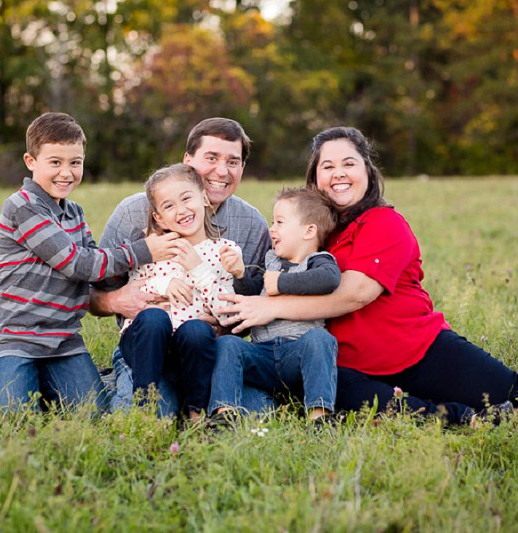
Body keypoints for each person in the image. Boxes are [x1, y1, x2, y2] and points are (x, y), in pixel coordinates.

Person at [219, 127, 518, 426]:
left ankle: (446, 409)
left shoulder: (385, 223)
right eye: (327, 166)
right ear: (315, 177)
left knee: (516, 396)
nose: (338, 173)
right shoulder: (313, 236)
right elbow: (266, 275)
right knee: (343, 394)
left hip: (413, 351)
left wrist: (272, 307)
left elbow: (355, 294)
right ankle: (456, 418)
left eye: (349, 163)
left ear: (367, 171)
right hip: (346, 368)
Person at [0, 112, 179, 412]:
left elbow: (96, 274)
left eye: (75, 162)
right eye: (55, 162)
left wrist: (149, 266)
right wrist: (142, 250)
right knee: (12, 419)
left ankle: (60, 383)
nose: (66, 172)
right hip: (14, 338)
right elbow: (77, 264)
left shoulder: (74, 213)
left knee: (92, 415)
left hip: (63, 340)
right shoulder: (21, 207)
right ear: (30, 161)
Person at [90, 117, 273, 417]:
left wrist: (223, 321)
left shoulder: (250, 226)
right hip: (149, 346)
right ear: (188, 161)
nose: (222, 171)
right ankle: (120, 383)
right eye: (211, 158)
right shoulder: (134, 213)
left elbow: (256, 300)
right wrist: (116, 300)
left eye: (233, 161)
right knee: (146, 415)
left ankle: (194, 405)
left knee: (257, 410)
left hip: (205, 349)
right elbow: (90, 293)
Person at [120, 163, 245, 421]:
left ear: (204, 198)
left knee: (197, 330)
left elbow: (225, 313)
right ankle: (144, 408)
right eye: (168, 206)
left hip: (191, 352)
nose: (181, 210)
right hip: (145, 345)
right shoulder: (151, 249)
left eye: (186, 198)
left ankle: (195, 411)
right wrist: (163, 285)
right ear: (158, 217)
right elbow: (133, 291)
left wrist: (198, 269)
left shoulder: (224, 251)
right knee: (154, 318)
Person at [209, 188, 340, 424]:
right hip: (262, 354)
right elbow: (254, 293)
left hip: (297, 354)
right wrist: (240, 274)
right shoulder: (271, 260)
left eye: (280, 222)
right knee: (228, 344)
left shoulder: (320, 261)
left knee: (321, 339)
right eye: (272, 222)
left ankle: (319, 416)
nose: (272, 229)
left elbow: (329, 280)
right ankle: (223, 414)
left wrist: (281, 282)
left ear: (309, 231)